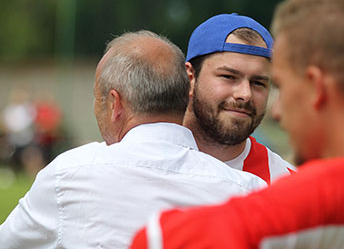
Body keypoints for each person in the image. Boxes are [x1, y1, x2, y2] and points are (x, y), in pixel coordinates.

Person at [130, 0, 344, 248]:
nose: (277, 110)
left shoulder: (338, 193)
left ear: (316, 88)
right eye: (228, 76)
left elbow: (155, 240)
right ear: (190, 77)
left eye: (274, 84)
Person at [0, 31, 266, 249]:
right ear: (187, 96)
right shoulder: (249, 193)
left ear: (115, 103)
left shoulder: (68, 175)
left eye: (98, 98)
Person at [183, 13, 295, 184]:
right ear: (190, 77)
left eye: (258, 83)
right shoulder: (140, 161)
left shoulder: (286, 184)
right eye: (228, 77)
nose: (245, 94)